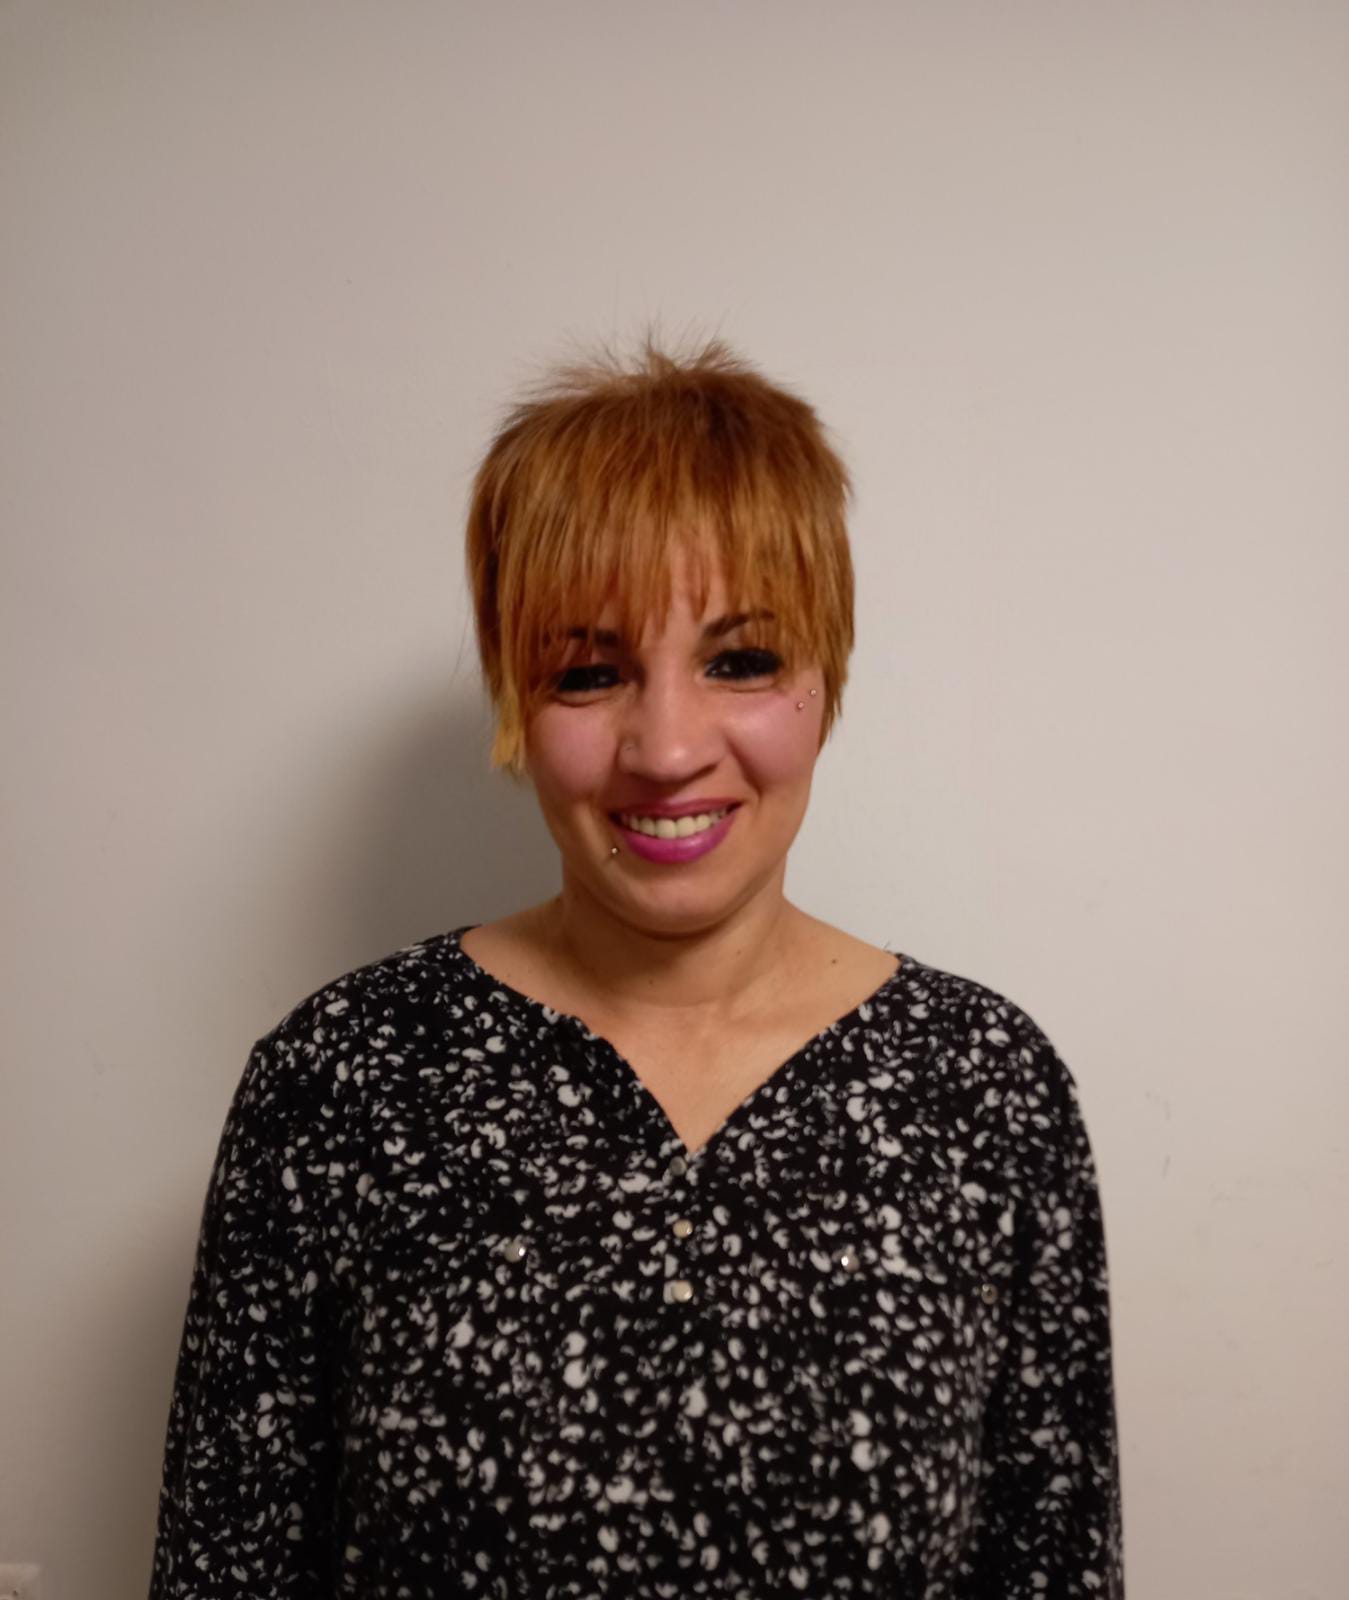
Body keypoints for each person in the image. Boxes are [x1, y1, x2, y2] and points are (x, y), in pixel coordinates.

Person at [148, 338, 1124, 1597]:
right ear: (515, 695)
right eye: (589, 672)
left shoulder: (981, 1087)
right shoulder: (343, 1079)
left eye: (739, 660)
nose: (665, 748)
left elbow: (1056, 1563)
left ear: (824, 676)